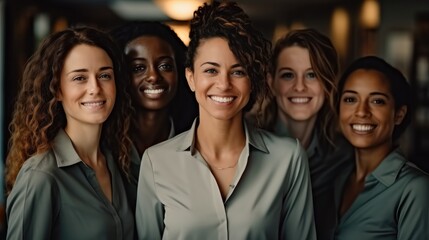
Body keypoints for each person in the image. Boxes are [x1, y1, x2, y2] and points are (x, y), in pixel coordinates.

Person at [135, 1, 316, 239]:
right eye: (211, 70)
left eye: (238, 71)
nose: (224, 84)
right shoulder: (156, 162)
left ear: (252, 80)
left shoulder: (288, 159)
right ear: (191, 78)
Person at [5, 26, 135, 239]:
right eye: (79, 78)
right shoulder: (41, 176)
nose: (95, 88)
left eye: (104, 75)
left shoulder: (117, 161)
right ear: (56, 89)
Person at [251, 28, 353, 239]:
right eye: (288, 75)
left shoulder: (344, 154)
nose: (300, 87)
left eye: (312, 75)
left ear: (327, 82)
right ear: (271, 82)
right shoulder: (246, 143)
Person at [335, 56, 429, 239]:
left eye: (377, 101)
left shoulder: (415, 189)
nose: (361, 112)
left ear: (399, 115)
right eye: (350, 99)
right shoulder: (336, 179)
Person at [109, 21, 198, 210]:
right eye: (138, 68)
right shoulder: (104, 146)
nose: (153, 76)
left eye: (165, 66)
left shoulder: (197, 142)